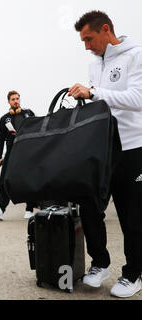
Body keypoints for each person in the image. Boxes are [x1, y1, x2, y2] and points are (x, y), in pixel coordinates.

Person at [69, 10, 142, 298]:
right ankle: (100, 264)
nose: (86, 45)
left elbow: (138, 98)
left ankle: (134, 273)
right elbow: (96, 102)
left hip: (133, 147)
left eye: (89, 38)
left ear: (106, 30)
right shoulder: (93, 65)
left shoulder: (135, 54)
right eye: (83, 41)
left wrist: (95, 92)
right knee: (88, 205)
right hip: (102, 148)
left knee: (131, 215)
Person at [0, 91, 37, 220]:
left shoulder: (29, 114)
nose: (16, 101)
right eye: (13, 99)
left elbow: (37, 130)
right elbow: (0, 139)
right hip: (11, 152)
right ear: (9, 102)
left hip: (27, 151)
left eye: (17, 98)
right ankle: (0, 208)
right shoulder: (5, 118)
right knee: (5, 179)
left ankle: (29, 209)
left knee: (29, 179)